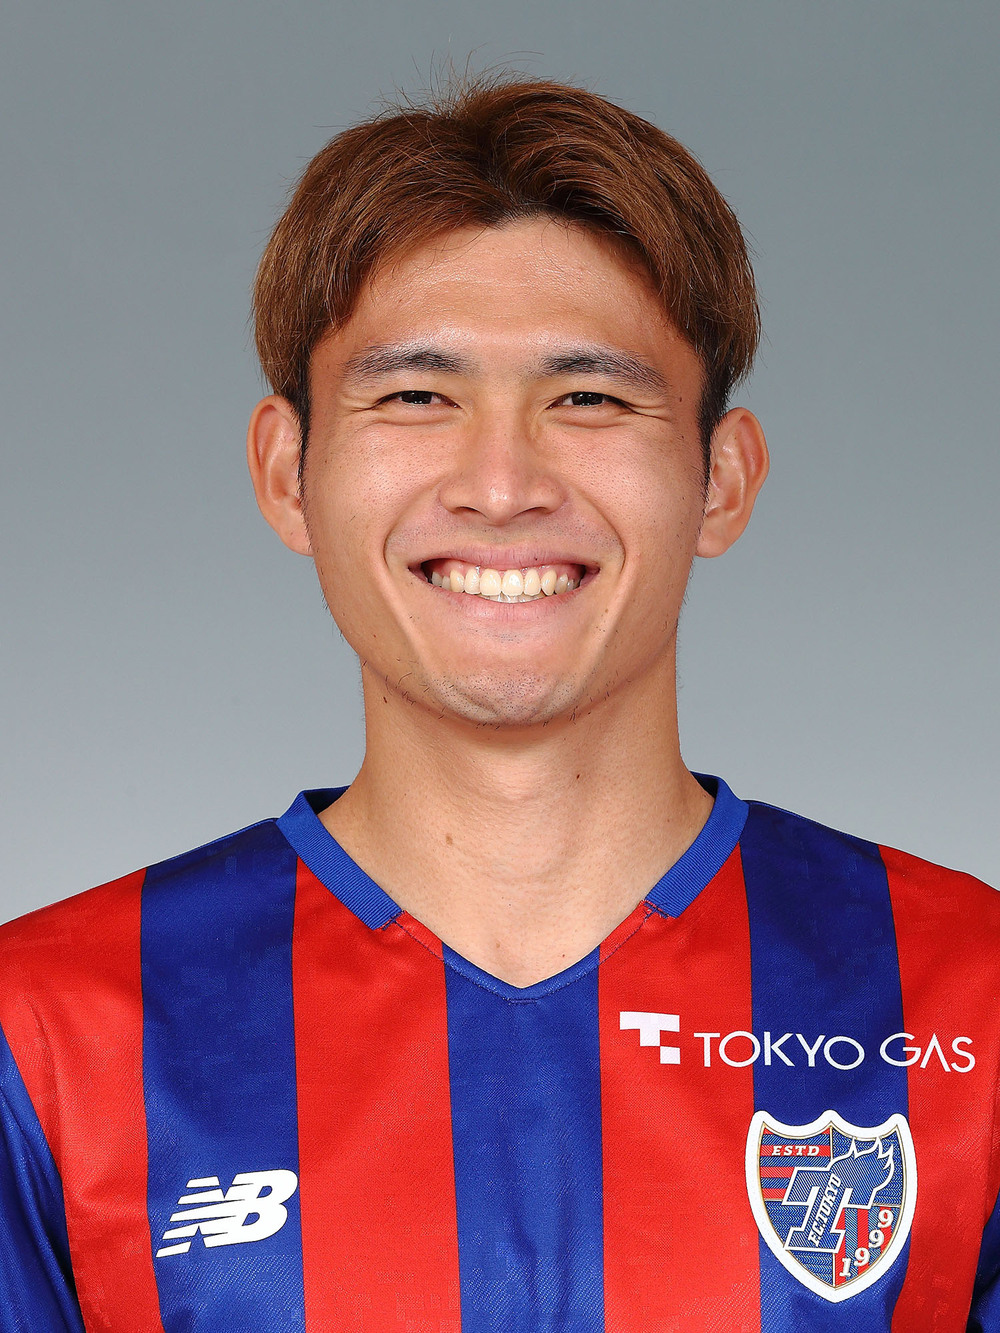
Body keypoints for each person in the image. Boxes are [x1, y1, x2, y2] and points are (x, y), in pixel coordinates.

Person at [0, 73, 997, 1333]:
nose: (501, 481)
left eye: (589, 398)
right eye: (417, 396)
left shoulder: (968, 997)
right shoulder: (46, 1030)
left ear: (721, 479)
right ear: (288, 474)